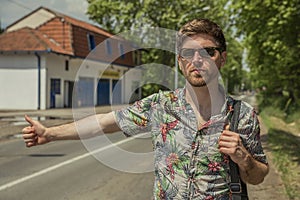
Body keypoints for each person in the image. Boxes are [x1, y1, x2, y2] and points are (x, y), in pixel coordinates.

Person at [22, 18, 269, 199]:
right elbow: (105, 122)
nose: (197, 60)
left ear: (222, 58)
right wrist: (50, 133)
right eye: (188, 53)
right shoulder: (160, 106)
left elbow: (258, 176)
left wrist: (243, 157)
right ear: (180, 61)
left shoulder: (243, 115)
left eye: (208, 52)